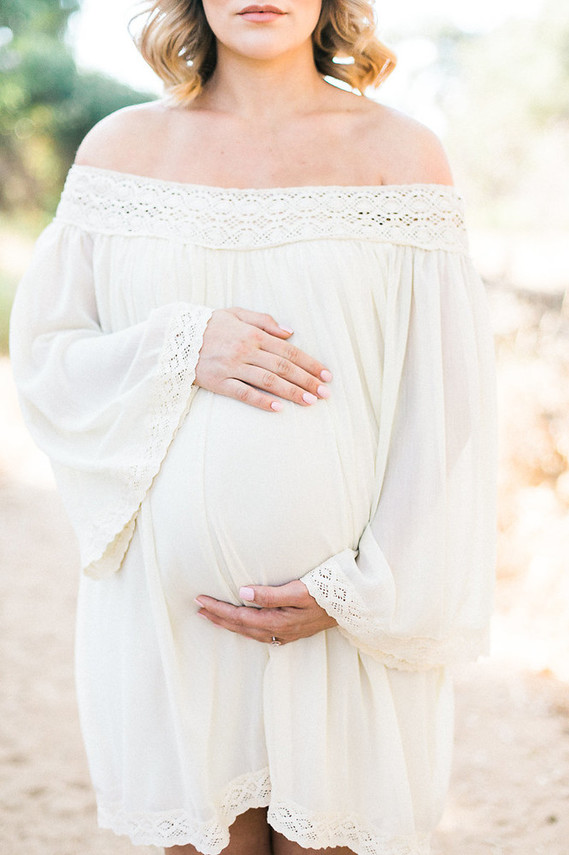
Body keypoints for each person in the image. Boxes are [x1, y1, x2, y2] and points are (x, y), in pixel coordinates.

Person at [9, 0, 497, 852]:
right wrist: (179, 343)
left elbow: (446, 402)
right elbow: (47, 361)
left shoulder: (402, 155)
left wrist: (365, 588)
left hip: (348, 622)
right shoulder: (122, 152)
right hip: (172, 617)